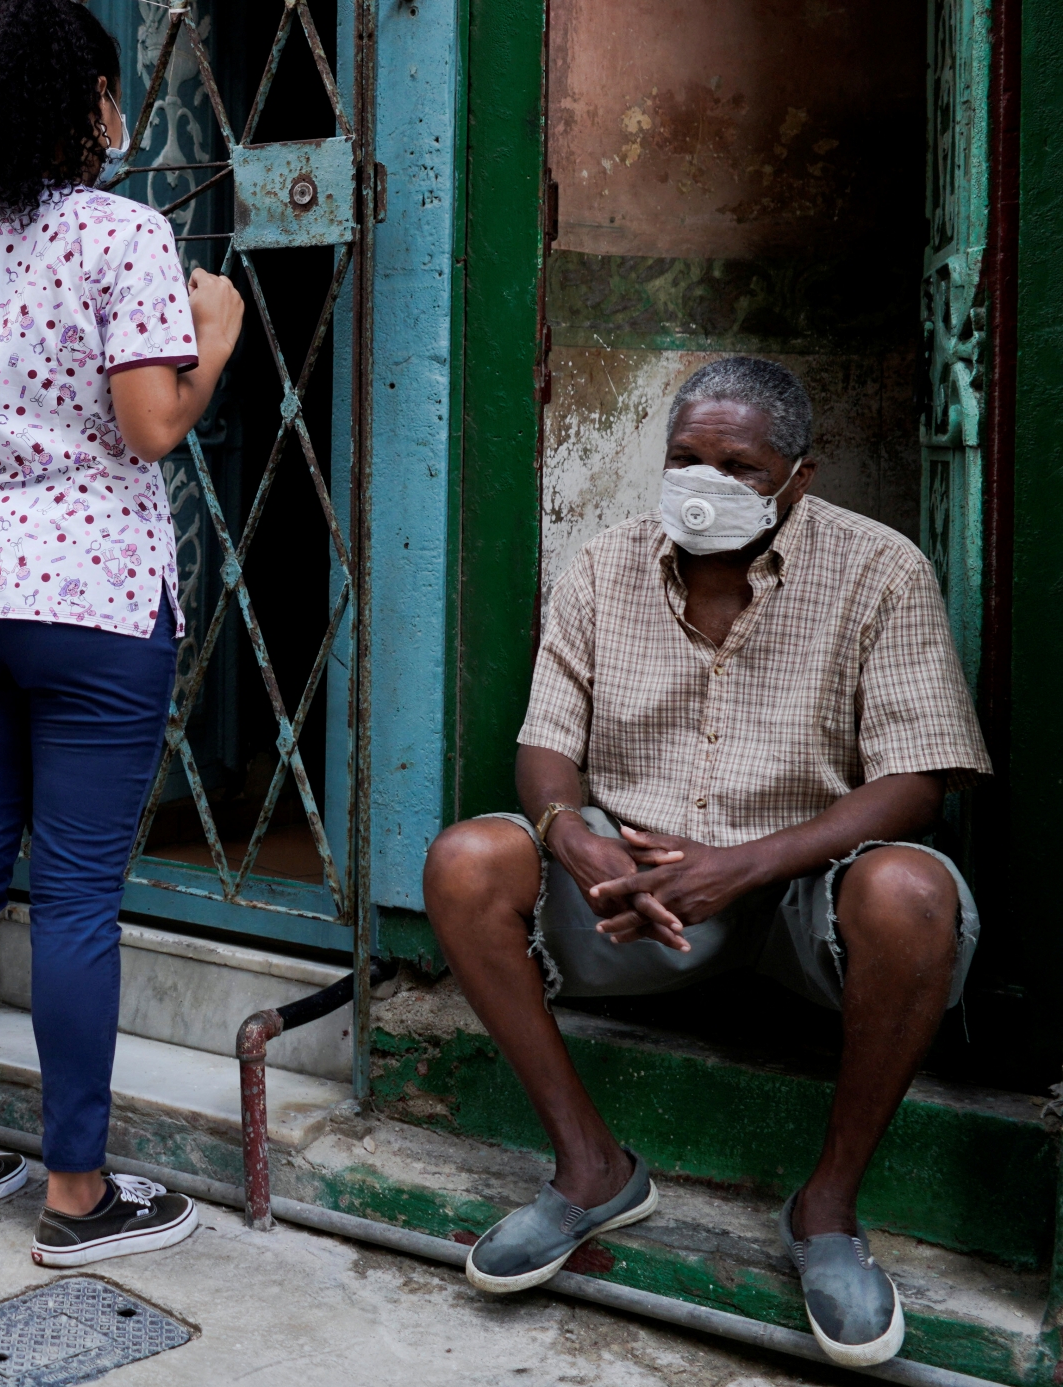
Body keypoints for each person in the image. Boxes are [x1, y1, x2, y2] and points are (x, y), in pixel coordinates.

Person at [421, 356, 989, 1368]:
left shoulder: (881, 569)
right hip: (630, 901)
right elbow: (546, 745)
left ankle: (826, 1211)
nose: (706, 483)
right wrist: (576, 839)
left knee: (912, 891)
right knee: (467, 860)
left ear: (799, 477)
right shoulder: (603, 565)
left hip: (805, 903)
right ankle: (592, 1169)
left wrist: (743, 864)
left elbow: (918, 783)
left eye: (740, 466)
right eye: (687, 457)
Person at [0, 0, 247, 1266]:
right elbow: (151, 424)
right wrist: (217, 338)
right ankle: (78, 1195)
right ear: (79, 105)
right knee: (79, 893)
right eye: (108, 87)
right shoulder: (122, 232)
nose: (122, 109)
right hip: (90, 591)